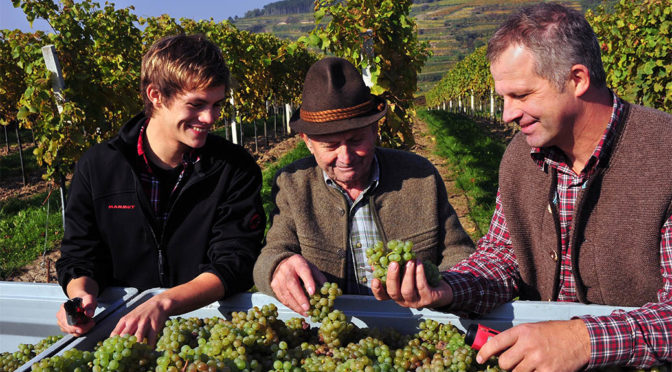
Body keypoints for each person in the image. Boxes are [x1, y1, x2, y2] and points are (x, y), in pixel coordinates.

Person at [372, 3, 672, 370]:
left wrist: (583, 340)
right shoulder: (521, 157)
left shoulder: (664, 158)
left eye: (521, 95)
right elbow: (504, 254)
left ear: (577, 79)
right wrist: (448, 288)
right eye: (502, 98)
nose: (507, 114)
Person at [55, 34, 265, 344]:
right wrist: (80, 295)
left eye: (216, 104)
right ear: (156, 95)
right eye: (196, 104)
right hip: (121, 332)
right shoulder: (98, 167)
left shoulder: (234, 168)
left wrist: (163, 303)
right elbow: (80, 252)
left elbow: (235, 261)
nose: (210, 118)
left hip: (206, 334)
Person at [253, 57, 475, 316]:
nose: (346, 157)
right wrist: (277, 267)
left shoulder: (420, 176)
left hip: (417, 328)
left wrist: (443, 288)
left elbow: (460, 252)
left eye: (356, 139)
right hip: (331, 336)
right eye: (330, 145)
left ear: (374, 129)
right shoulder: (292, 184)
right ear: (307, 141)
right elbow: (271, 253)